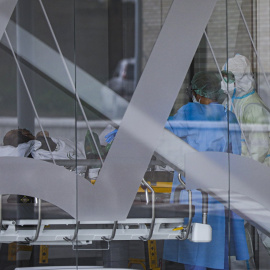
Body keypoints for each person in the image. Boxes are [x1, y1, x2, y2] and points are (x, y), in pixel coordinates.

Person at [163, 71, 249, 270]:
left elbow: (161, 130)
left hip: (194, 193)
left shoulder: (191, 111)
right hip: (220, 193)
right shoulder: (230, 118)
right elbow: (236, 158)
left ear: (199, 93)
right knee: (217, 249)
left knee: (195, 247)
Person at [220, 54, 270, 166]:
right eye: (224, 76)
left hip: (255, 171)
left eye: (228, 77)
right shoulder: (232, 100)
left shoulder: (253, 108)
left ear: (241, 79)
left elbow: (259, 149)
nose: (224, 81)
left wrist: (248, 171)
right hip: (237, 167)